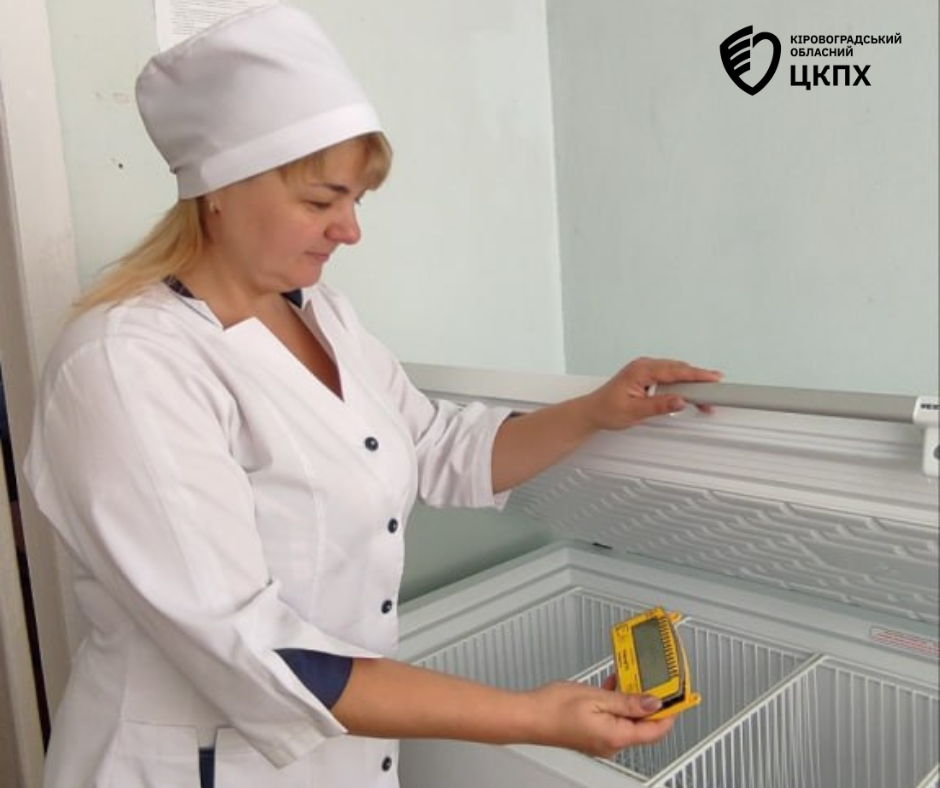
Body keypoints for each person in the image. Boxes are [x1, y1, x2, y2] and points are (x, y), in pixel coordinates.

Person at [23, 5, 722, 788]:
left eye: (357, 200)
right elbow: (254, 646)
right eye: (322, 201)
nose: (350, 231)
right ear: (219, 188)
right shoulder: (125, 364)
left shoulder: (320, 314)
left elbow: (438, 449)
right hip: (190, 764)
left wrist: (597, 409)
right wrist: (531, 718)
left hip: (344, 756)